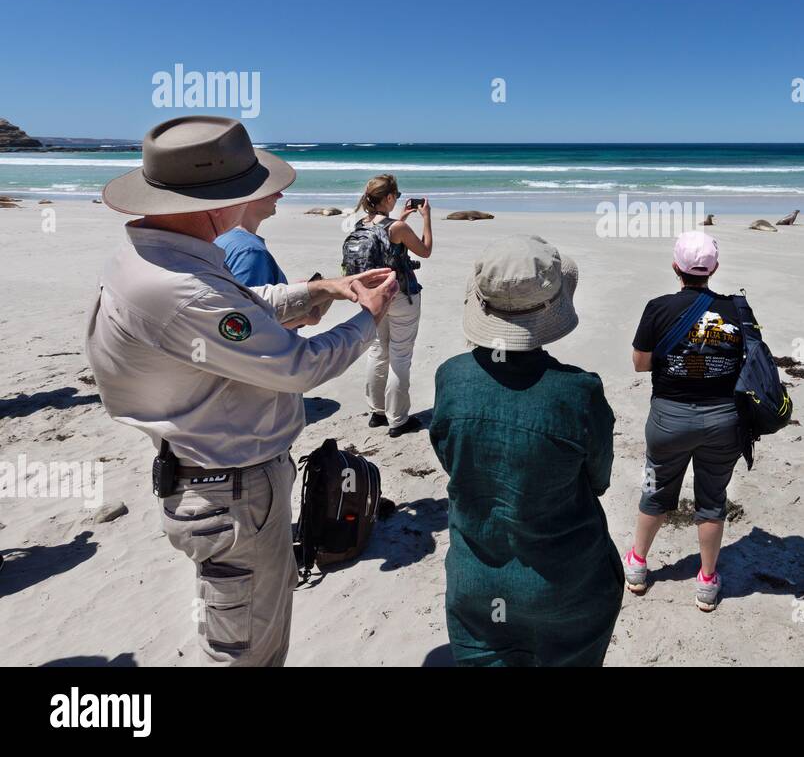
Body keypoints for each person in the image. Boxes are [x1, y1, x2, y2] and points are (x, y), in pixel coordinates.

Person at [85, 116, 399, 666]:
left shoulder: (153, 255)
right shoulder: (182, 286)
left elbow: (236, 310)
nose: (264, 195)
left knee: (245, 637)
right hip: (232, 490)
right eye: (248, 189)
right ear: (216, 201)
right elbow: (299, 365)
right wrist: (368, 320)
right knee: (247, 652)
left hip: (210, 477)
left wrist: (319, 288)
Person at [429, 235, 622, 666]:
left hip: (476, 581)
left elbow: (451, 460)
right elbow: (600, 479)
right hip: (564, 585)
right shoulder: (578, 392)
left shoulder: (451, 379)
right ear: (551, 307)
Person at [625, 230, 748, 611]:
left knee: (655, 491)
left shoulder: (658, 307)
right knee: (712, 501)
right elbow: (747, 361)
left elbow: (641, 364)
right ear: (714, 269)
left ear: (675, 268)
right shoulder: (737, 309)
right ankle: (707, 581)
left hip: (668, 419)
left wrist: (679, 360)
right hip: (724, 419)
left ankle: (638, 566)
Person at [351, 174, 432, 436]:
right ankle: (398, 420)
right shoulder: (397, 227)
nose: (396, 199)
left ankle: (377, 412)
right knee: (400, 356)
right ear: (387, 198)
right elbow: (425, 250)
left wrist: (403, 217)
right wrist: (426, 217)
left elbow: (386, 241)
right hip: (399, 296)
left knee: (377, 351)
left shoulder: (360, 224)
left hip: (373, 296)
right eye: (395, 196)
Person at [215, 189, 327, 329]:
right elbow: (243, 324)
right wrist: (304, 318)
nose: (280, 195)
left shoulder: (220, 237)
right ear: (249, 197)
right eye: (271, 190)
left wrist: (289, 292)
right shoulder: (250, 250)